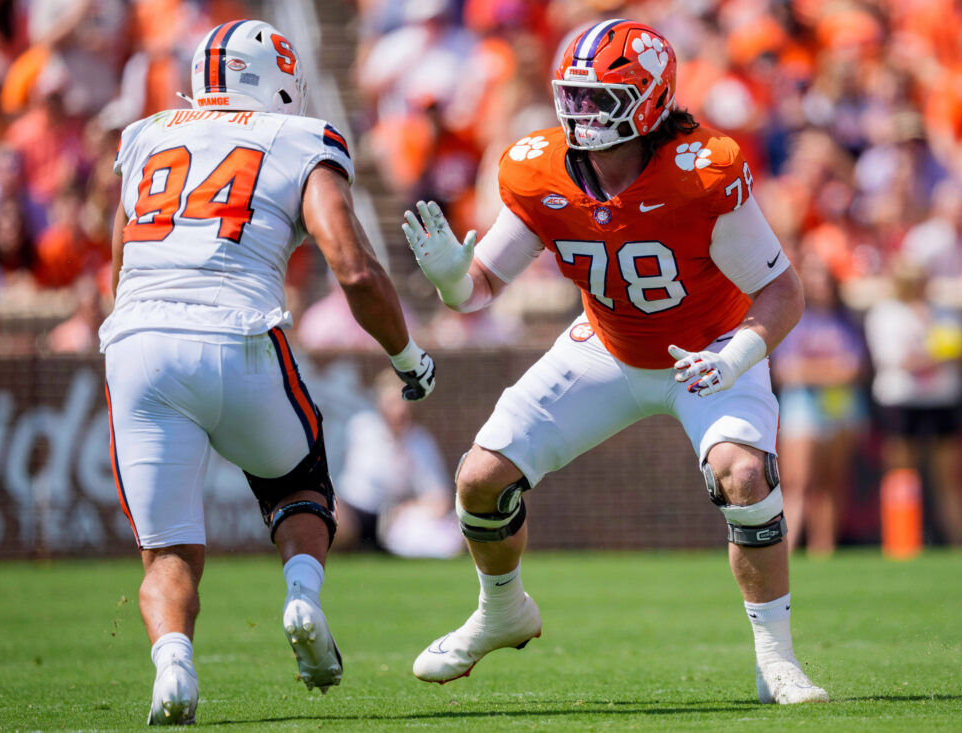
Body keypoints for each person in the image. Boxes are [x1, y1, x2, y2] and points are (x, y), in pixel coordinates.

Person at [402, 19, 827, 704]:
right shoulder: (538, 167)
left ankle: (776, 660)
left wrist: (737, 356)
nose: (581, 113)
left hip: (709, 352)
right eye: (572, 96)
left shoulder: (702, 170)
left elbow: (782, 290)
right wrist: (453, 278)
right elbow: (479, 289)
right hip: (608, 345)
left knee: (745, 476)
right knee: (480, 479)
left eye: (599, 98)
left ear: (650, 100)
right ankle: (502, 609)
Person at [101, 20, 436, 725]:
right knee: (300, 483)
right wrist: (408, 357)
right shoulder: (300, 137)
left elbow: (119, 264)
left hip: (138, 342)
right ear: (278, 79)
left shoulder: (145, 135)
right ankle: (302, 597)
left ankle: (173, 666)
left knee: (166, 549)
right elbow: (352, 266)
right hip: (239, 333)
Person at [863, 258, 962, 547]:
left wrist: (929, 338)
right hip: (901, 400)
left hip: (942, 399)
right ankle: (902, 543)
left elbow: (960, 351)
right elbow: (894, 359)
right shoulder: (885, 314)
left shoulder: (944, 311)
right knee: (901, 476)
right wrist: (937, 354)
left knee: (949, 477)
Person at [772, 254, 869, 556]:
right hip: (801, 404)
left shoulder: (847, 321)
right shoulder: (793, 317)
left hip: (841, 406)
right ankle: (784, 551)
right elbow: (786, 370)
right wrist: (831, 370)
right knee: (797, 481)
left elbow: (854, 368)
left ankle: (823, 550)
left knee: (831, 481)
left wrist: (812, 370)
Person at [335, 369, 462, 558]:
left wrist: (406, 509)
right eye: (393, 403)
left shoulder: (421, 442)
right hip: (355, 513)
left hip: (395, 523)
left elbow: (439, 500)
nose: (399, 410)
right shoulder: (361, 429)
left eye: (405, 404)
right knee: (333, 521)